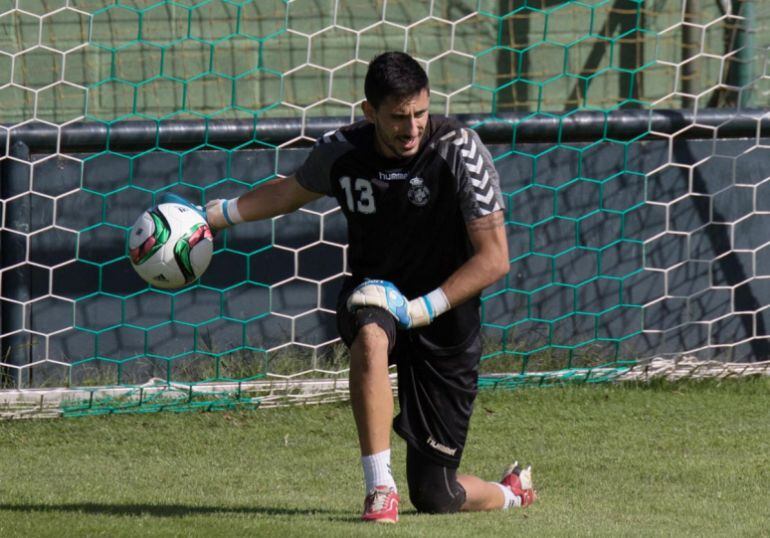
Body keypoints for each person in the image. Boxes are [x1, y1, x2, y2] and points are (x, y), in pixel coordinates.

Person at [166, 51, 536, 522]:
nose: (412, 128)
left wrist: (420, 309)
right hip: (375, 291)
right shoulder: (342, 151)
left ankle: (509, 493)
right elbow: (290, 190)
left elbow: (495, 258)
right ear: (369, 113)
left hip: (445, 317)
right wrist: (217, 216)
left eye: (420, 113)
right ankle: (380, 490)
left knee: (437, 495)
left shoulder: (460, 149)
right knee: (371, 327)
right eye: (398, 117)